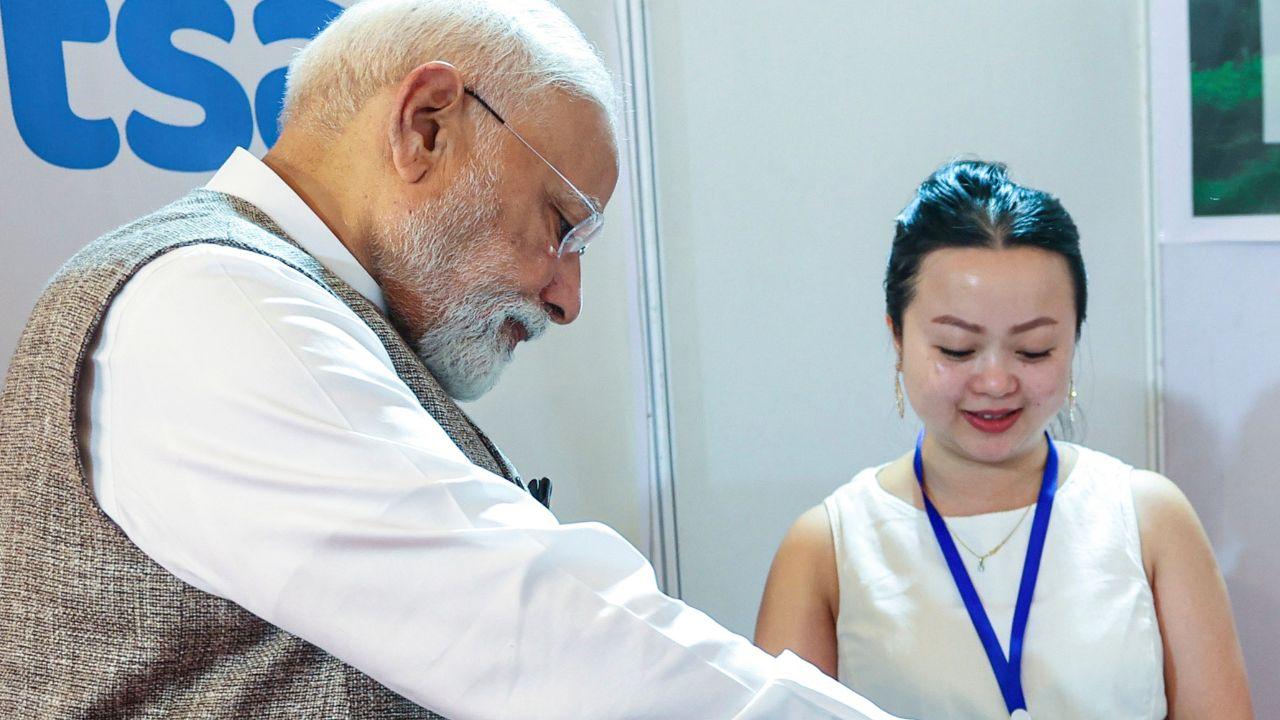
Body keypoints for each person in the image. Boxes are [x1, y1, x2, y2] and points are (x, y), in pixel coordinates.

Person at [0, 1, 902, 718]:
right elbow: (544, 634)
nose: (566, 297)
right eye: (562, 223)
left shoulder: (263, 301)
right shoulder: (219, 305)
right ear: (427, 124)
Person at [754, 160, 1254, 719]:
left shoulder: (1150, 520)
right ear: (897, 337)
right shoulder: (827, 550)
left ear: (1072, 339)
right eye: (957, 349)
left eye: (1034, 349)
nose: (996, 382)